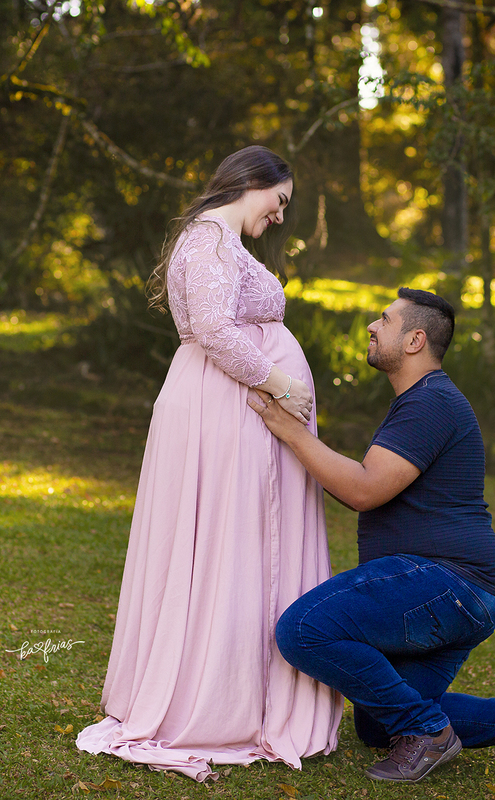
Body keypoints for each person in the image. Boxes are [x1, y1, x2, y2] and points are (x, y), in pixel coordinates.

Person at [76, 145, 342, 782]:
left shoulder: (220, 242)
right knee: (227, 537)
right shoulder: (208, 241)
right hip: (223, 410)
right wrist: (278, 380)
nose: (280, 217)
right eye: (280, 201)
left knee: (241, 541)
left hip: (230, 406)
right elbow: (216, 330)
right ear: (254, 182)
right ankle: (213, 697)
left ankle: (243, 687)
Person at [247, 288, 495, 787]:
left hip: (449, 582)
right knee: (379, 721)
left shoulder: (432, 403)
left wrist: (290, 431)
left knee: (302, 630)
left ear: (414, 340)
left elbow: (363, 489)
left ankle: (428, 732)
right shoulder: (423, 402)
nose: (372, 326)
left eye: (385, 319)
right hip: (463, 592)